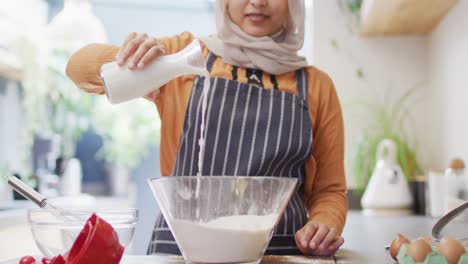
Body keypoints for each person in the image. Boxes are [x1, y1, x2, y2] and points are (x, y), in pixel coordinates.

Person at [66, 0, 347, 257]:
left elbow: (329, 190)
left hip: (279, 253)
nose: (258, 2)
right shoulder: (183, 55)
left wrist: (324, 224)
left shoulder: (317, 85)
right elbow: (77, 67)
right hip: (181, 253)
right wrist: (131, 57)